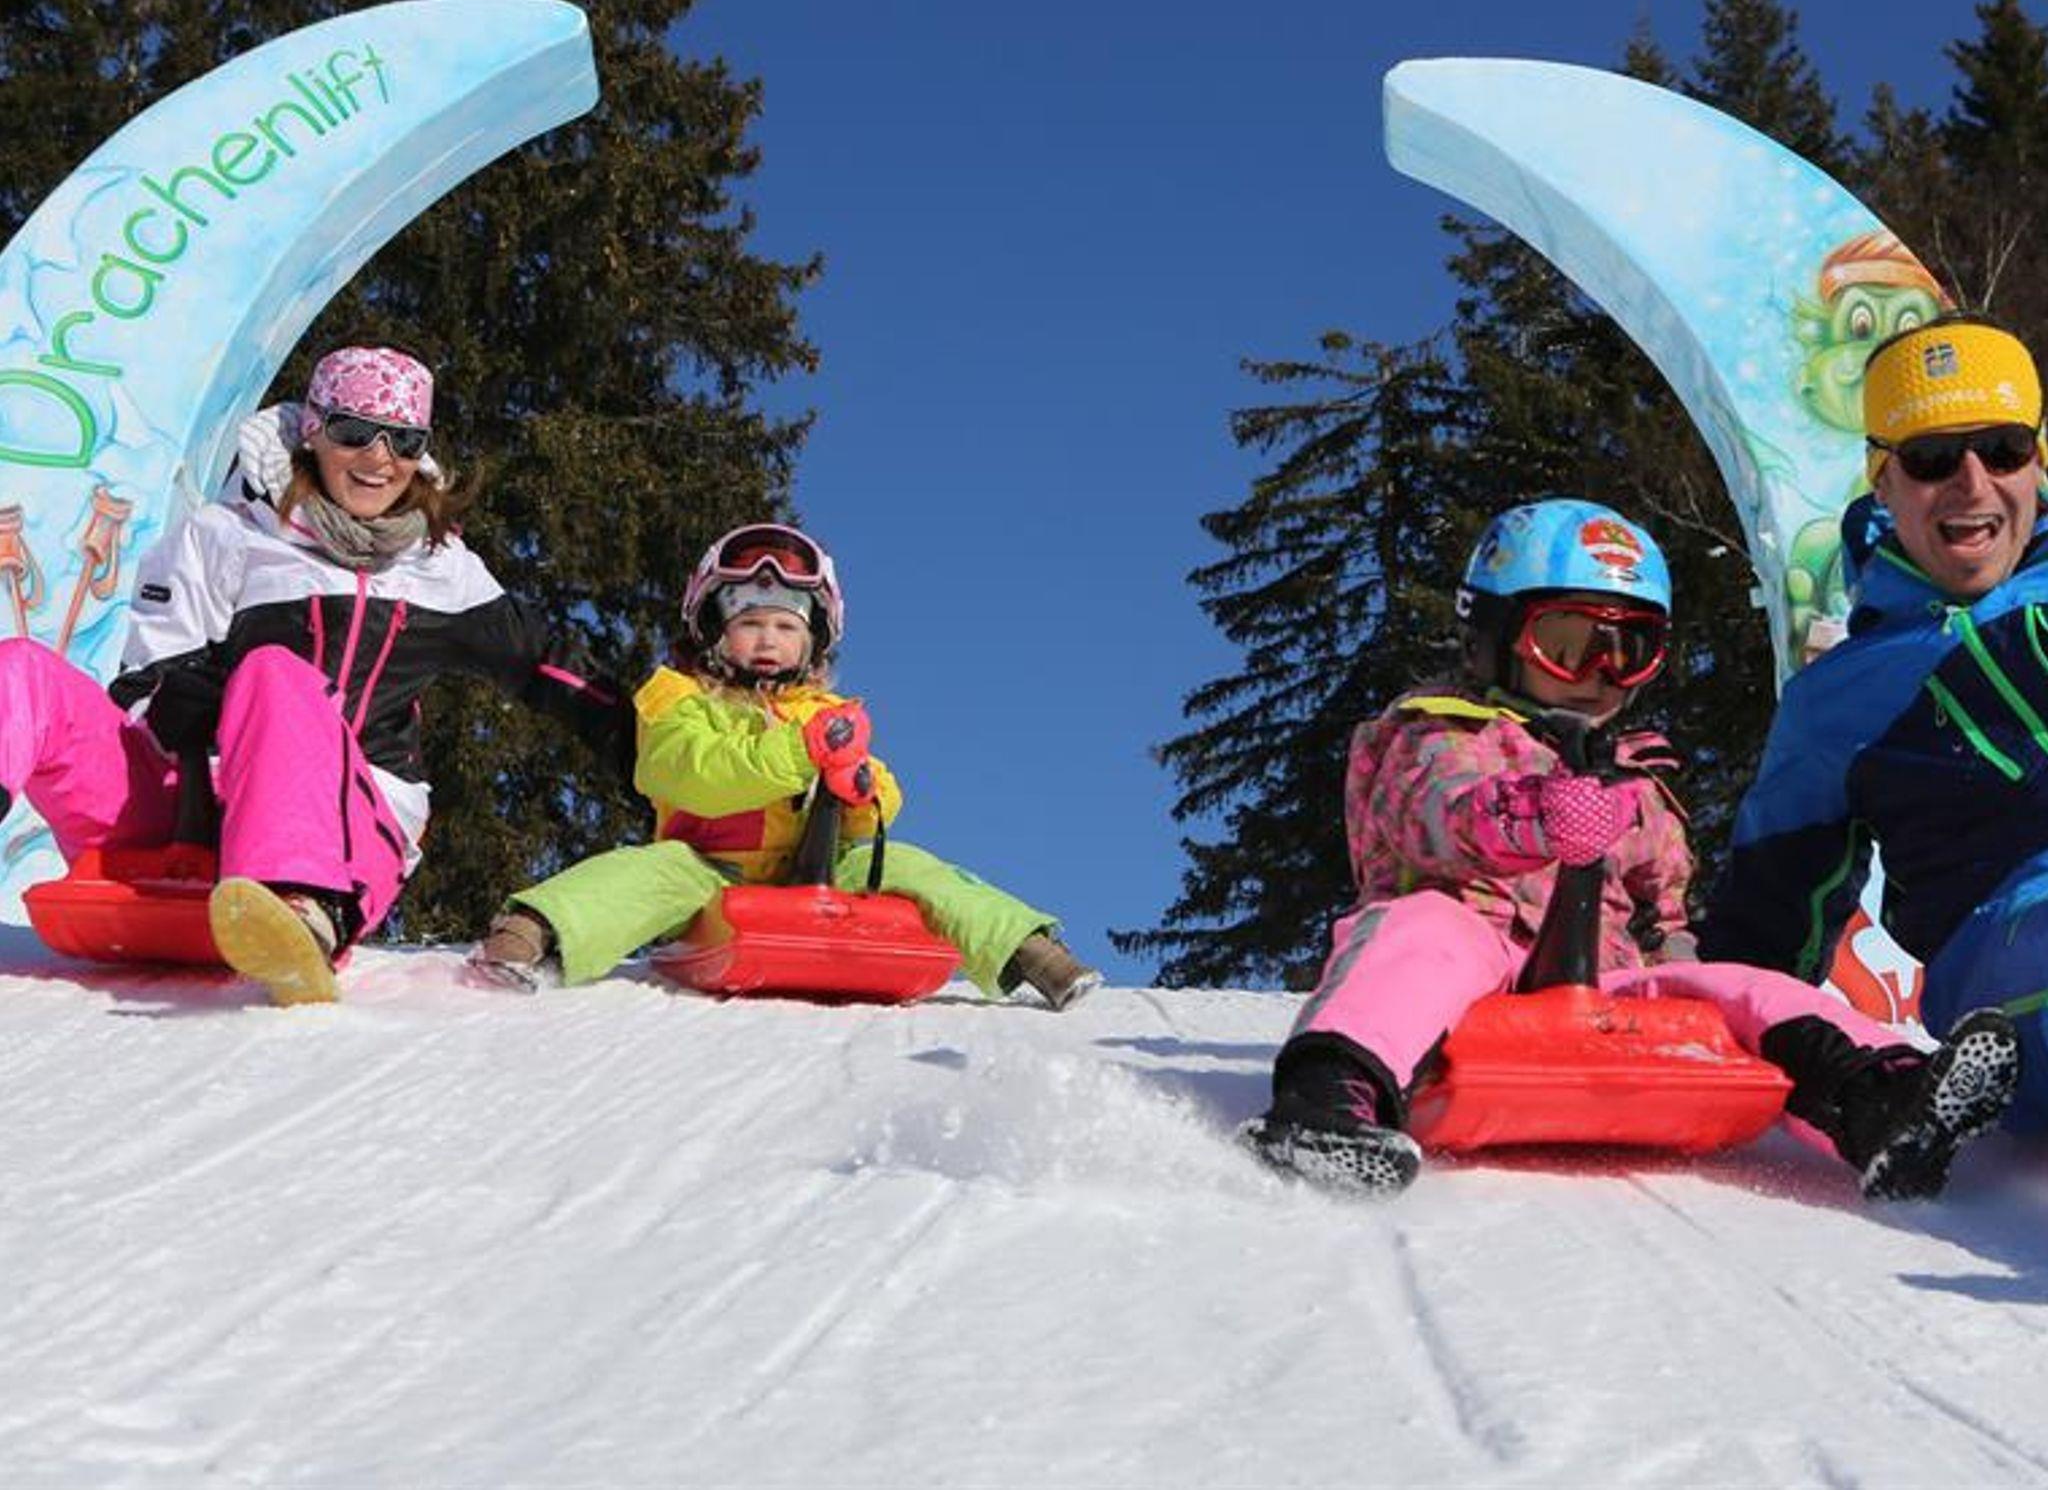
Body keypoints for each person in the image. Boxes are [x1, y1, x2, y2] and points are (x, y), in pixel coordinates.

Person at [1243, 498, 2021, 1200]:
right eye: (1569, 643)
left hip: (1602, 987)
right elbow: (1432, 816)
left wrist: (1678, 953)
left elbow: (1662, 901)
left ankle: (1883, 1100)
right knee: (1417, 933)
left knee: (1741, 986)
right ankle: (1332, 1096)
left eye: (1630, 649)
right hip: (1475, 975)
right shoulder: (1436, 731)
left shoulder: (1632, 777)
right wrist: (1532, 817)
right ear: (1493, 636)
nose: (1600, 675)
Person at [0, 344, 628, 1005]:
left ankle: (301, 905)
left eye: (404, 441)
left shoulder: (440, 568)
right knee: (22, 669)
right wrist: (178, 700)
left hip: (343, 830)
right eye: (354, 432)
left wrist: (653, 743)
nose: (379, 459)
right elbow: (144, 679)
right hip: (186, 807)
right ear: (313, 432)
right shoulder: (226, 534)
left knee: (277, 672)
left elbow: (548, 667)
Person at [465, 521, 1102, 1010]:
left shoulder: (825, 712)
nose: (768, 640)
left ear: (813, 641)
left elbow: (880, 803)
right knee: (645, 872)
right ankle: (533, 932)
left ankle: (1030, 951)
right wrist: (799, 754)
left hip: (812, 869)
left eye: (786, 627)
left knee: (911, 866)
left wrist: (861, 791)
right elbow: (689, 772)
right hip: (710, 868)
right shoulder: (677, 697)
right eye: (749, 623)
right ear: (713, 629)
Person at [1701, 311, 2048, 1133]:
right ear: (1883, 482)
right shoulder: (1838, 701)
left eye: (2002, 449)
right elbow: (1765, 923)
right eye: (1931, 459)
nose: (1972, 483)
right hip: (2005, 953)